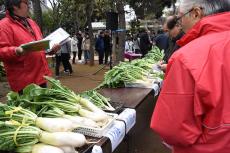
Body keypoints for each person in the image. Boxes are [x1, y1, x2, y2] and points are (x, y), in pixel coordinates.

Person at [150, 0, 230, 153]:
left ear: (196, 13)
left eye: (180, 18)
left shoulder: (187, 57)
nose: (180, 24)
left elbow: (172, 128)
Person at [0, 0, 60, 93]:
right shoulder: (4, 25)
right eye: (26, 3)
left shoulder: (31, 22)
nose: (29, 6)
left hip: (41, 76)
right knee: (29, 107)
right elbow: (1, 50)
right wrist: (15, 51)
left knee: (44, 105)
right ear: (15, 6)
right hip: (24, 82)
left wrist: (50, 50)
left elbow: (39, 46)